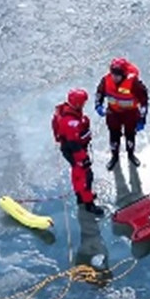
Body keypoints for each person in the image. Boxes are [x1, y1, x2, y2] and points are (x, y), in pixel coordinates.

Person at [52, 88, 104, 216]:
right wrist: (83, 158)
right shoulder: (71, 122)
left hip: (70, 149)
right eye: (83, 102)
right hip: (75, 151)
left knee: (77, 172)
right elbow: (73, 143)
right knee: (86, 176)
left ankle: (80, 196)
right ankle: (89, 204)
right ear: (77, 103)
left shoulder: (66, 112)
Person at [94, 57, 149, 172]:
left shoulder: (134, 83)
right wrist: (98, 105)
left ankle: (131, 155)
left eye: (117, 75)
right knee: (114, 136)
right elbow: (99, 93)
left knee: (130, 136)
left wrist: (142, 119)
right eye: (113, 74)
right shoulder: (106, 80)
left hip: (130, 114)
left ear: (124, 74)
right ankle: (114, 157)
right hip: (113, 113)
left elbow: (144, 101)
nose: (115, 77)